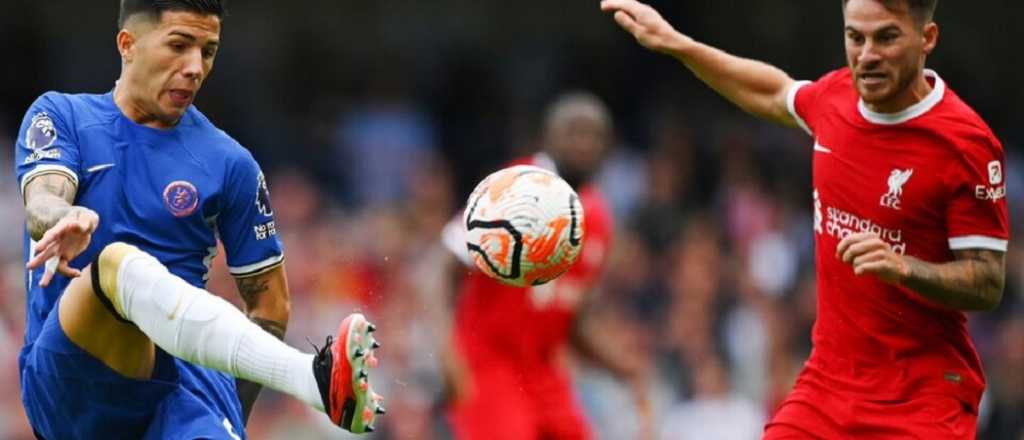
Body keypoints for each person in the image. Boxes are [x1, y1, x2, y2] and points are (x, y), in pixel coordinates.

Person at [601, 0, 1008, 438]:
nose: (867, 55)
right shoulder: (834, 98)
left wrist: (904, 268)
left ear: (927, 39)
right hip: (828, 385)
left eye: (886, 38)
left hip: (921, 396)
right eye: (855, 37)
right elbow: (771, 91)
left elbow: (987, 282)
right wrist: (678, 44)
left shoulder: (965, 144)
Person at [16, 1, 382, 438]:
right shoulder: (62, 116)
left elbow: (270, 306)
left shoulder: (231, 163)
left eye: (207, 51)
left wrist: (228, 415)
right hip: (69, 381)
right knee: (115, 263)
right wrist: (63, 216)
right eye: (179, 45)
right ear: (127, 44)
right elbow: (43, 200)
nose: (195, 67)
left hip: (180, 390)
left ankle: (313, 389)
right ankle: (311, 378)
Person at [438, 92, 651, 440]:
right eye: (574, 133)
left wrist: (622, 367)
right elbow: (443, 265)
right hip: (489, 363)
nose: (584, 144)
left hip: (544, 370)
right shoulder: (515, 188)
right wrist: (446, 350)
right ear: (548, 137)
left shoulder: (598, 218)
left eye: (594, 135)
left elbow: (571, 320)